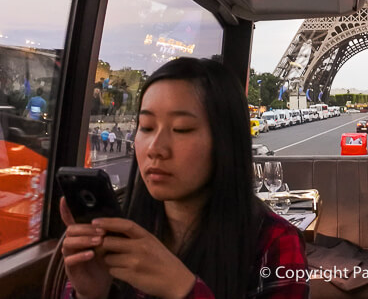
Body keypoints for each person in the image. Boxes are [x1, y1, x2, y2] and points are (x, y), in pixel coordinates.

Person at [60, 57, 309, 299]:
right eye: (146, 127)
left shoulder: (277, 244)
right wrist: (90, 294)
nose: (155, 148)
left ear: (226, 142)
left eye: (181, 129)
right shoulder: (118, 235)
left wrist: (183, 289)